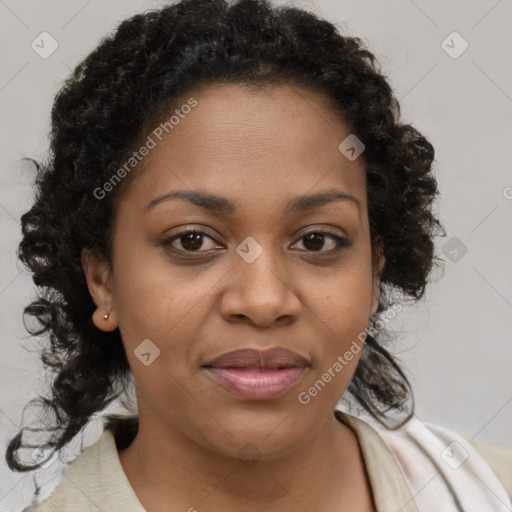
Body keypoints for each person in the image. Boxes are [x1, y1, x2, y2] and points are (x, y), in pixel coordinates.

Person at [5, 0, 511, 510]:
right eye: (192, 240)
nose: (264, 300)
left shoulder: (489, 492)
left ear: (375, 270)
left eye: (317, 240)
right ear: (103, 279)